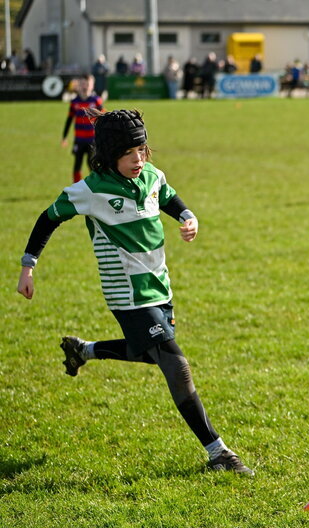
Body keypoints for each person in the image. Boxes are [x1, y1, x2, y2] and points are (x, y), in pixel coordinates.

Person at [17, 109, 254, 476]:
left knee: (151, 355)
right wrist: (28, 265)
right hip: (126, 292)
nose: (138, 160)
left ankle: (85, 350)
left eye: (142, 150)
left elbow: (170, 197)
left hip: (159, 284)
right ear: (110, 154)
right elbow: (49, 217)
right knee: (176, 364)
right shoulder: (91, 190)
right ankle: (218, 453)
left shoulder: (152, 176)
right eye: (129, 154)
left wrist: (188, 217)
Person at [60, 75, 104, 183]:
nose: (85, 86)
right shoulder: (75, 102)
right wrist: (64, 137)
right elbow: (69, 119)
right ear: (79, 85)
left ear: (92, 85)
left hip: (92, 140)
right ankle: (77, 188)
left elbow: (103, 120)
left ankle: (97, 186)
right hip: (79, 140)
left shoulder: (96, 101)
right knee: (77, 165)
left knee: (92, 165)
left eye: (88, 84)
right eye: (83, 84)